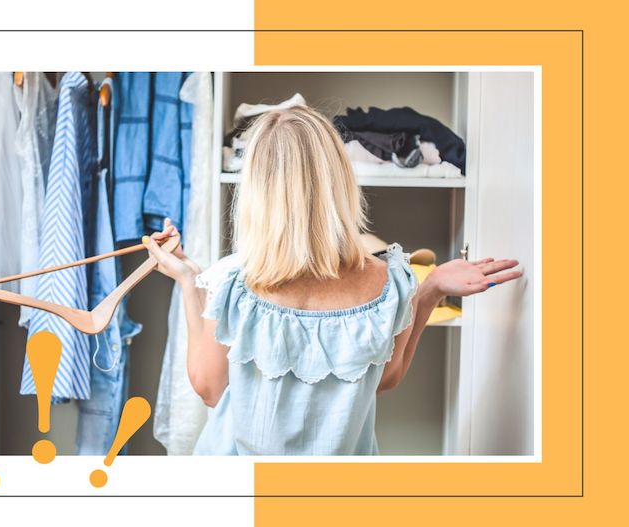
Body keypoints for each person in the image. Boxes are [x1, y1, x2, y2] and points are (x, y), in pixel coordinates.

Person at [142, 105, 522, 455]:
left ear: (256, 190)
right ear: (338, 180)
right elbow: (385, 378)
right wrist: (431, 288)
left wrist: (189, 281)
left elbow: (210, 389)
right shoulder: (391, 281)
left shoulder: (232, 280)